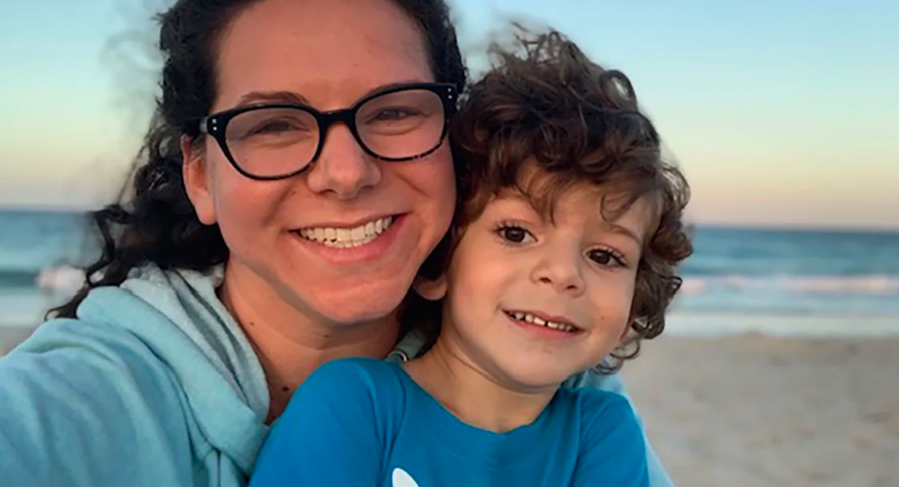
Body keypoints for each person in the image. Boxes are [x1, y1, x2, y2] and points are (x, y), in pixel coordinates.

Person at [0, 0, 678, 487]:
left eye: (394, 111)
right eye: (275, 124)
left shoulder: (562, 390)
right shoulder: (71, 404)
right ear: (201, 174)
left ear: (455, 147)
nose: (346, 172)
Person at [249, 28, 692, 487]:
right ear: (440, 261)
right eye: (516, 233)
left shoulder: (601, 432)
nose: (563, 274)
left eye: (605, 255)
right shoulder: (355, 406)